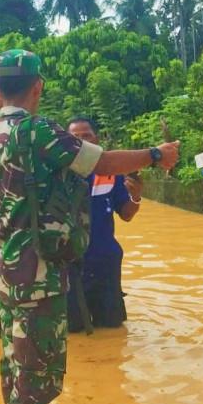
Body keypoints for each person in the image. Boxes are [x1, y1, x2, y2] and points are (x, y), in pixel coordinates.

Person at [0, 49, 179, 404]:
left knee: (13, 356)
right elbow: (101, 162)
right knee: (38, 363)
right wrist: (155, 155)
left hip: (2, 269)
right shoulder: (39, 132)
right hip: (38, 272)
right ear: (37, 87)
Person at [65, 117, 142, 332]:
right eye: (75, 137)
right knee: (73, 330)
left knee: (112, 329)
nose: (82, 141)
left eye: (87, 136)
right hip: (69, 265)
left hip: (104, 262)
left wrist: (136, 196)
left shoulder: (111, 173)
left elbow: (126, 214)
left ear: (96, 139)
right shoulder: (56, 174)